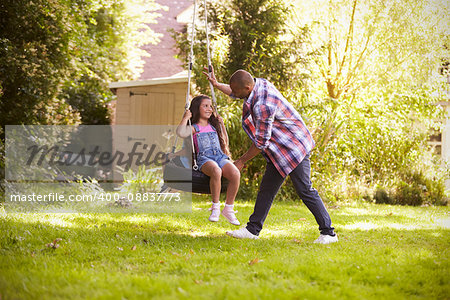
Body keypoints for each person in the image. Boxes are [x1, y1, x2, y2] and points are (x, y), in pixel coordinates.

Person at [203, 68, 338, 244]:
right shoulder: (259, 84)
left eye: (237, 92)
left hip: (294, 147)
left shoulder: (263, 105)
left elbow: (261, 142)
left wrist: (241, 160)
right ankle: (253, 230)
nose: (235, 95)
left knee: (304, 189)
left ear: (248, 88)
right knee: (267, 189)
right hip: (281, 149)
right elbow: (236, 91)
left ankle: (329, 233)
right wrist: (216, 84)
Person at [176, 95, 241, 225]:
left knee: (235, 173)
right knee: (216, 171)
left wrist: (222, 125)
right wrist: (185, 118)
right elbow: (181, 133)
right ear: (196, 108)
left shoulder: (213, 126)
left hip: (220, 156)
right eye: (205, 106)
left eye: (210, 106)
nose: (209, 109)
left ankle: (228, 208)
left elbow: (225, 142)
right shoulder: (194, 127)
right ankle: (215, 207)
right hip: (204, 158)